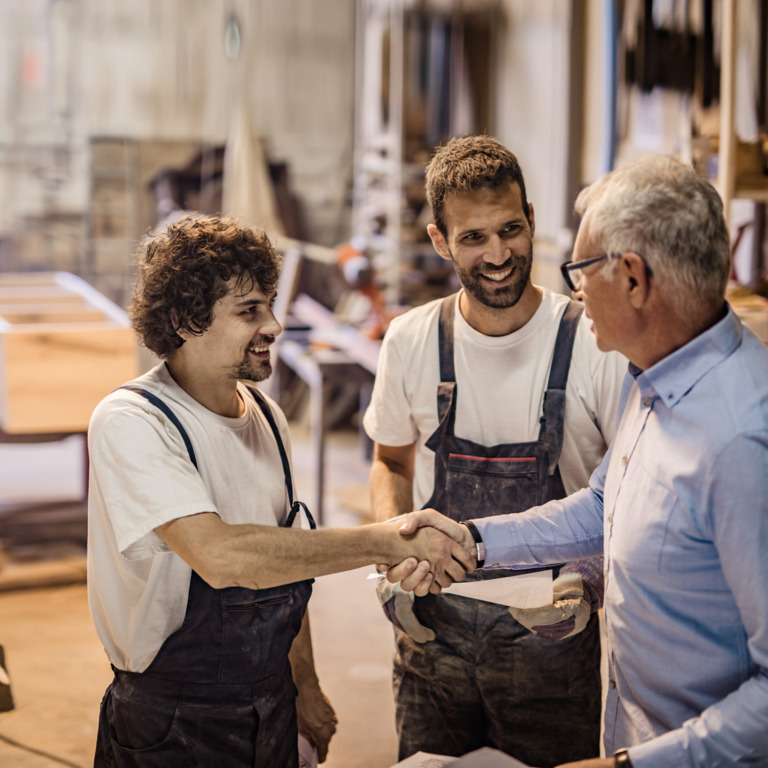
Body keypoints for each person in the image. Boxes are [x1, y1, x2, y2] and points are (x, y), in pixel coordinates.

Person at [397, 154, 768, 767]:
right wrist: (472, 539)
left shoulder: (741, 439)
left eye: (583, 268)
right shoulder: (654, 382)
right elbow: (604, 504)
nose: (572, 288)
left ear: (632, 279)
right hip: (631, 730)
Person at [86, 214, 474, 768]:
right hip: (171, 720)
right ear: (184, 320)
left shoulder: (266, 414)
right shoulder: (134, 421)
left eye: (270, 304)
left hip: (271, 704)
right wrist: (387, 541)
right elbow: (223, 557)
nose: (274, 324)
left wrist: (305, 686)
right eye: (249, 311)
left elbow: (283, 564)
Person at [362, 135, 627, 766]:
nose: (499, 254)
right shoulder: (410, 340)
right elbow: (391, 460)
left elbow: (628, 484)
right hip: (433, 633)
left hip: (553, 639)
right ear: (439, 241)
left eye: (510, 229)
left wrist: (587, 576)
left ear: (533, 220)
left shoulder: (593, 341)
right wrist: (392, 551)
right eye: (474, 238)